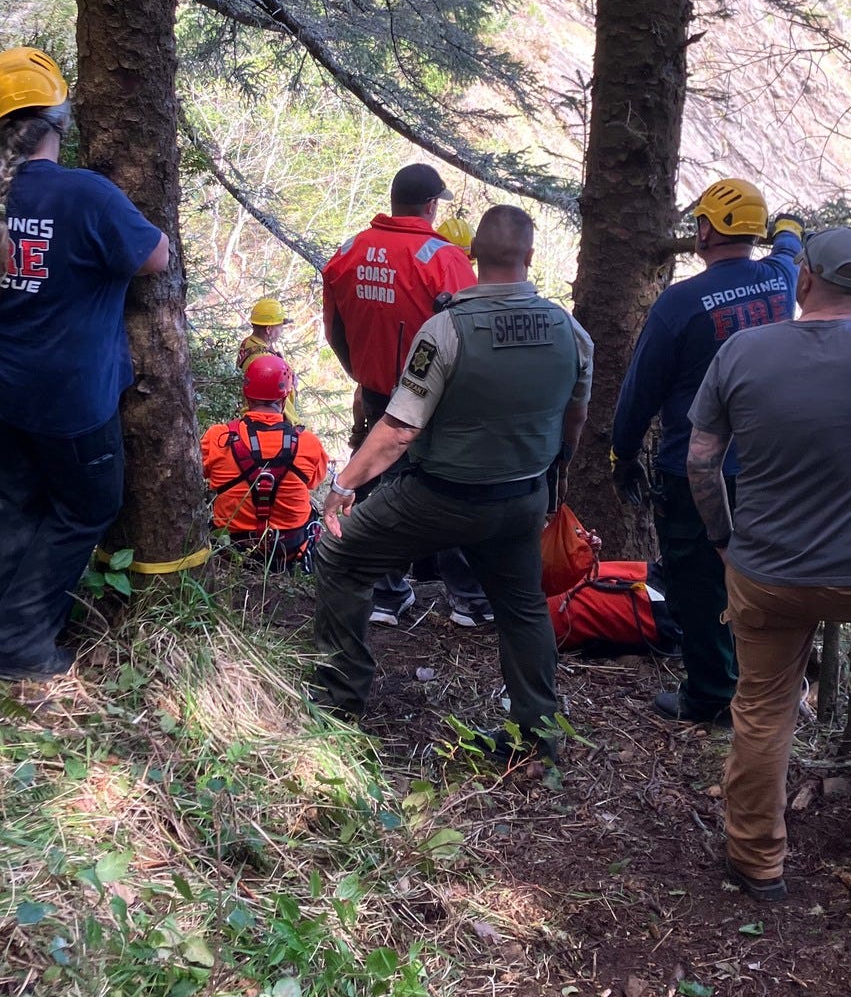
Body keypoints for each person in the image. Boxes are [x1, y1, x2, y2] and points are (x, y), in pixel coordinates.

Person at [685, 211, 851, 900]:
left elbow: (701, 463)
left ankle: (756, 862)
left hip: (765, 575)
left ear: (802, 278)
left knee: (762, 711)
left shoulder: (742, 351)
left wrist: (723, 543)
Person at [313, 206, 594, 759]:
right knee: (522, 605)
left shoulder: (445, 330)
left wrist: (343, 485)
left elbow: (397, 430)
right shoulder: (569, 330)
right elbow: (575, 419)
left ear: (472, 258)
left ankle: (339, 703)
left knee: (339, 556)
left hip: (441, 496)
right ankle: (538, 732)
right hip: (522, 495)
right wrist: (552, 477)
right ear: (530, 257)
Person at [0, 47, 169, 680]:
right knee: (84, 509)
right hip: (67, 398)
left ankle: (16, 617)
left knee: (21, 500)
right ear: (61, 121)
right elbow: (156, 258)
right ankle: (19, 644)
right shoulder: (86, 196)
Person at [610, 179, 802, 725]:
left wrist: (621, 453)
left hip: (694, 468)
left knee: (697, 582)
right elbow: (789, 249)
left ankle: (711, 695)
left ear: (709, 229)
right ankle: (758, 686)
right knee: (755, 575)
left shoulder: (681, 304)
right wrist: (788, 231)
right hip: (765, 469)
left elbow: (640, 390)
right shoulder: (780, 283)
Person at [321, 163, 482, 626]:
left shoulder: (349, 250)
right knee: (448, 487)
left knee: (377, 487)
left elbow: (335, 328)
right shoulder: (444, 258)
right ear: (431, 205)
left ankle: (388, 593)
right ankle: (468, 597)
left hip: (376, 393)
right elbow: (470, 333)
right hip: (435, 400)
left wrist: (361, 373)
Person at [204, 353, 329, 570]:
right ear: (285, 397)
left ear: (246, 395)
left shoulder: (217, 438)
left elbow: (202, 471)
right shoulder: (308, 444)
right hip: (289, 552)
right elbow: (313, 482)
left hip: (231, 551)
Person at [237, 298, 300, 424]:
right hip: (270, 422)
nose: (281, 330)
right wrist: (293, 387)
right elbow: (282, 403)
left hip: (251, 417)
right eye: (280, 326)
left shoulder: (247, 344)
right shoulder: (266, 363)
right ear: (268, 329)